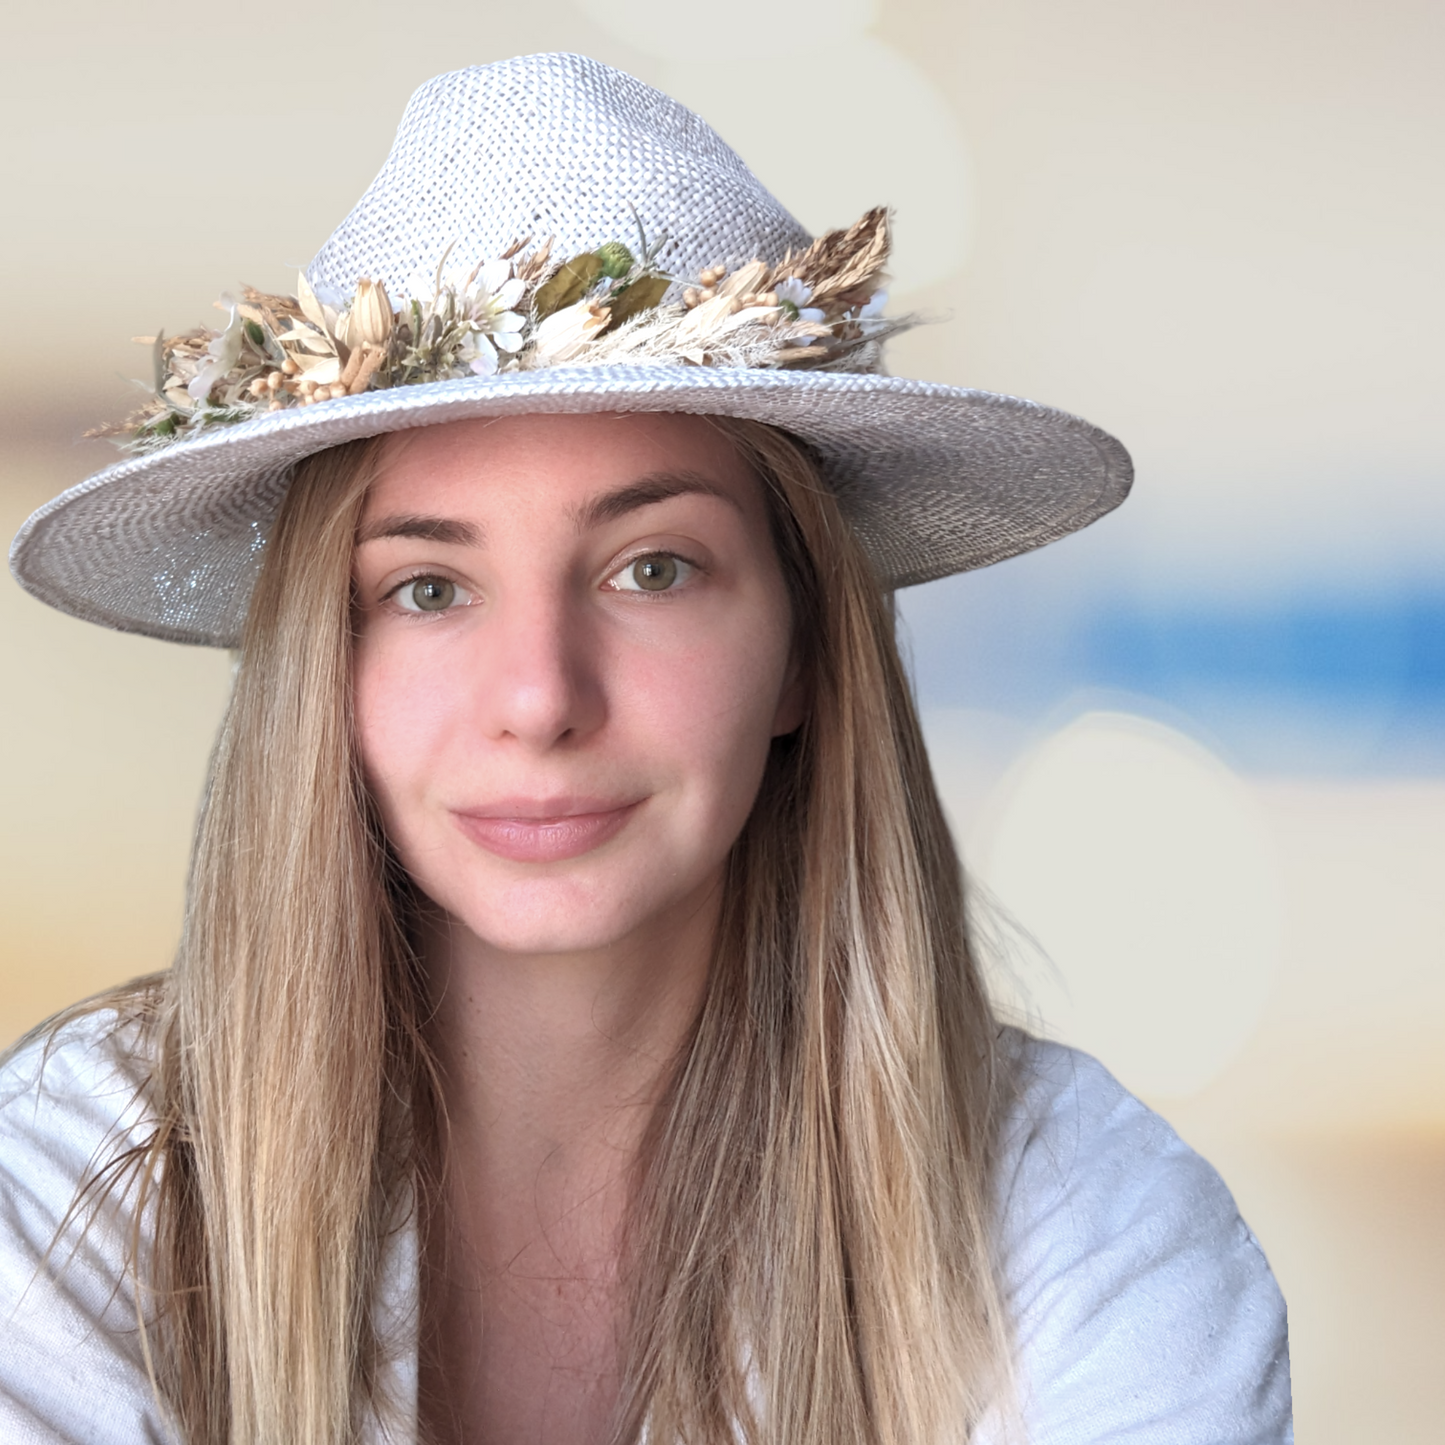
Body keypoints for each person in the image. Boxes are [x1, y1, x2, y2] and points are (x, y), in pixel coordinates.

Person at [2, 52, 1291, 1445]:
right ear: (327, 673)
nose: (539, 698)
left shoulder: (1084, 1222)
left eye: (652, 570)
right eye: (427, 589)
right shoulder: (70, 1195)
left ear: (804, 649)